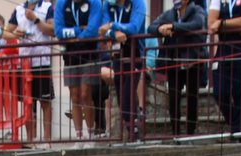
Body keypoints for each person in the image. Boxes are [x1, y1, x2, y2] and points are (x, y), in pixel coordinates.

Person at [149, 0, 205, 137]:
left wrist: (173, 27)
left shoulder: (197, 10)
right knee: (173, 98)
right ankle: (176, 133)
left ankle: (190, 133)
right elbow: (150, 27)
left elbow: (196, 24)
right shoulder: (169, 14)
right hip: (174, 62)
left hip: (192, 61)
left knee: (192, 97)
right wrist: (160, 29)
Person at [53, 0, 103, 139]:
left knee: (85, 94)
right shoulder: (62, 4)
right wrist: (79, 29)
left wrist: (74, 37)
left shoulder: (95, 3)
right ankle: (79, 135)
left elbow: (93, 30)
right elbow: (58, 31)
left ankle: (91, 133)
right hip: (70, 56)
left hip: (90, 54)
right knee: (74, 96)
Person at [8, 0, 55, 143]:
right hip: (25, 64)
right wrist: (17, 35)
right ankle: (30, 140)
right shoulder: (19, 9)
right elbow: (5, 33)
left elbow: (52, 30)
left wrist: (35, 19)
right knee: (28, 104)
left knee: (45, 102)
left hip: (42, 62)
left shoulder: (47, 7)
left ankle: (47, 140)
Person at [207, 0, 241, 134]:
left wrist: (222, 23)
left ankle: (236, 131)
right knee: (219, 92)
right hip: (223, 50)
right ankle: (237, 124)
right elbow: (211, 24)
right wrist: (237, 26)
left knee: (239, 93)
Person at [98, 0, 145, 140]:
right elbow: (103, 30)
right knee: (121, 96)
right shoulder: (108, 5)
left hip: (135, 53)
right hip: (118, 55)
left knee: (128, 93)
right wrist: (115, 33)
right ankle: (132, 130)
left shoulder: (138, 3)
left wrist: (113, 26)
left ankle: (135, 132)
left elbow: (134, 27)